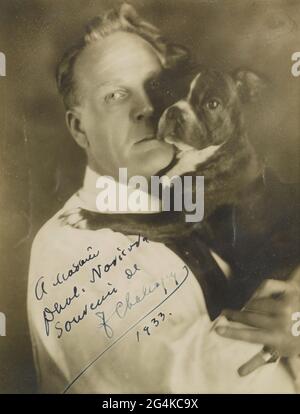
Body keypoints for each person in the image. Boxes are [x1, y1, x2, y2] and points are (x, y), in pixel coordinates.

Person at [27, 3, 300, 393]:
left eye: (155, 88)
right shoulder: (70, 246)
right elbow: (179, 387)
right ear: (78, 127)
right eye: (116, 95)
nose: (147, 109)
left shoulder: (194, 205)